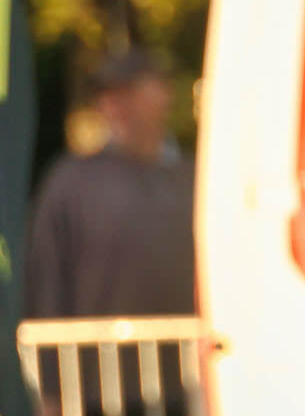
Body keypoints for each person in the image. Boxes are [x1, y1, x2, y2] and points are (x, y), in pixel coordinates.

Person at [25, 48, 194, 322]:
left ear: (164, 94)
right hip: (91, 349)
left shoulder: (195, 181)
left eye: (129, 91)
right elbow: (45, 282)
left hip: (188, 347)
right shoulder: (71, 182)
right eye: (106, 96)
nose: (116, 106)